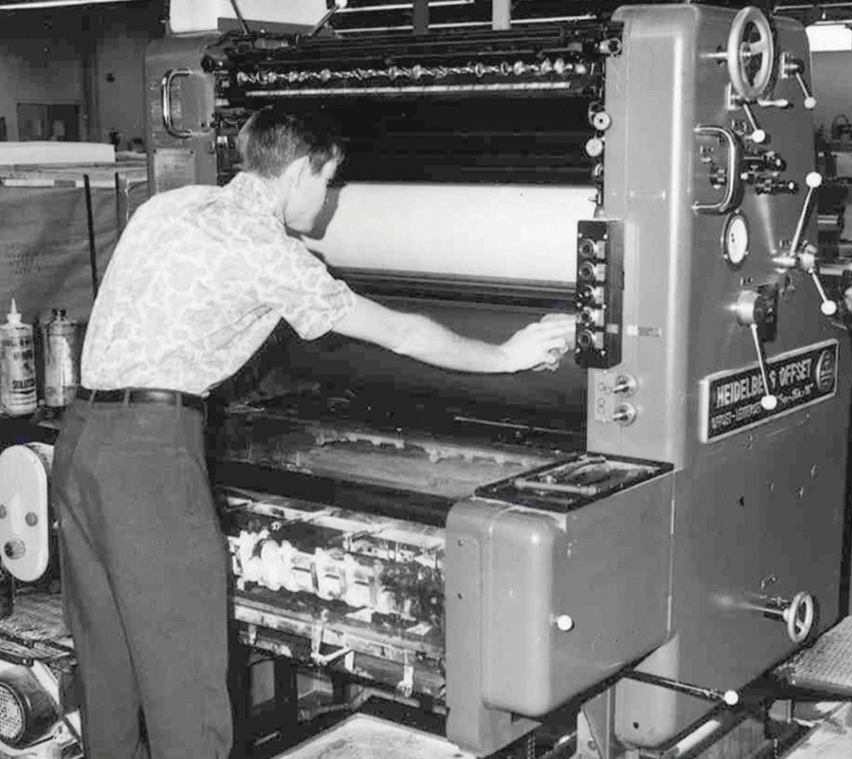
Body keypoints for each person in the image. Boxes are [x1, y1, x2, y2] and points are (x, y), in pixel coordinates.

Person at [51, 105, 575, 759]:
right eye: (328, 180)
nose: (328, 199)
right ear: (299, 170)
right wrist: (507, 355)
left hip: (80, 441)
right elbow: (400, 333)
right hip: (148, 455)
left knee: (109, 670)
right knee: (184, 679)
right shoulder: (269, 253)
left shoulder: (168, 205)